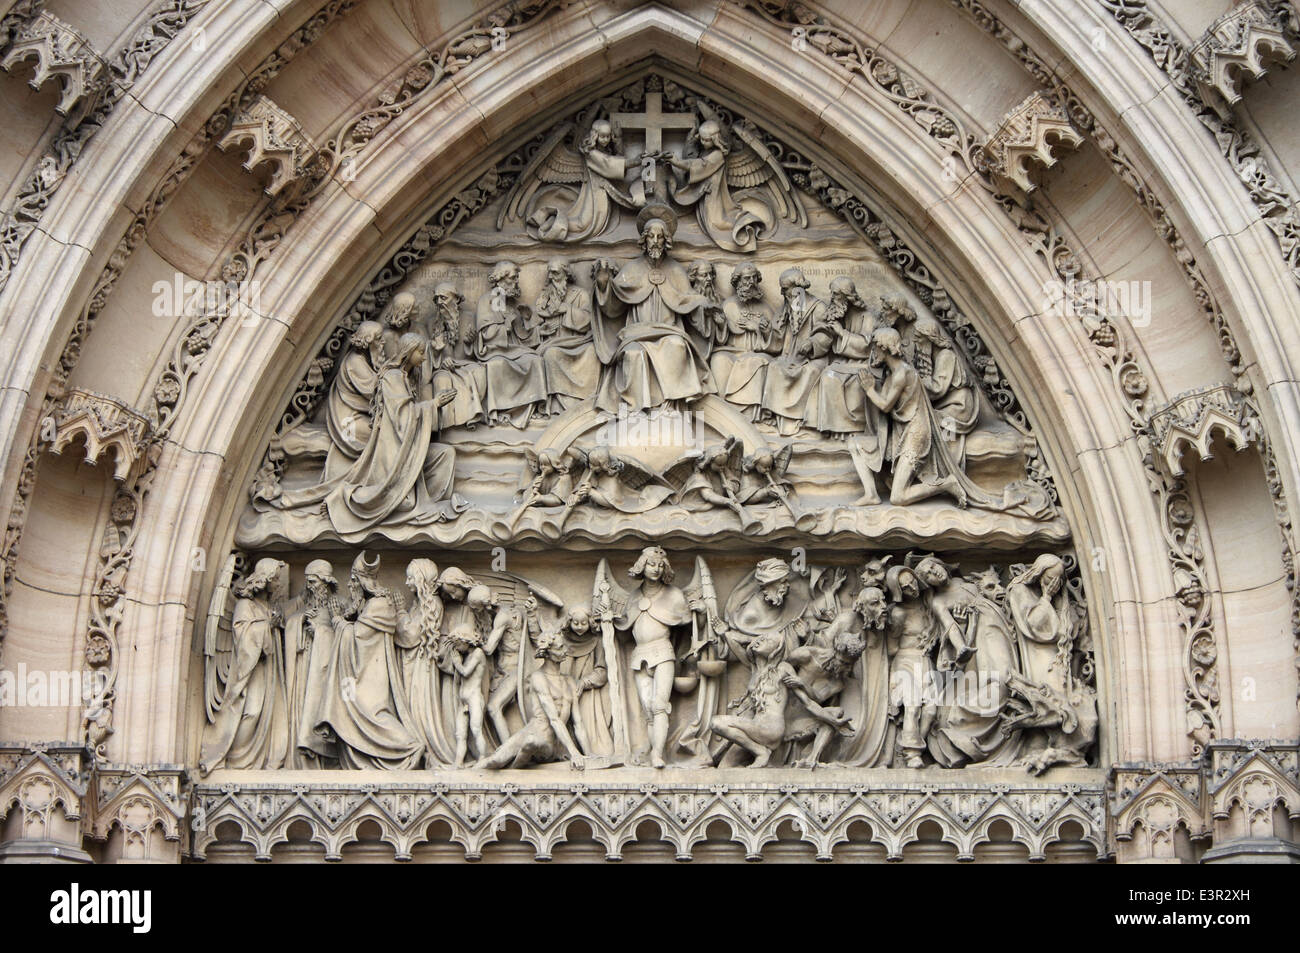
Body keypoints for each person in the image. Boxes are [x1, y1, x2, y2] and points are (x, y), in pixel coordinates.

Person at [591, 211, 716, 413]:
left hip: (669, 331)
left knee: (677, 347)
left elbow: (687, 300)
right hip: (637, 333)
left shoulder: (675, 270)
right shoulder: (632, 269)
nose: (655, 241)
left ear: (666, 240)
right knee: (632, 354)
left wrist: (702, 304)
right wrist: (603, 283)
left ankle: (669, 408)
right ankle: (636, 410)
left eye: (660, 237)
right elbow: (612, 305)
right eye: (651, 236)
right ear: (644, 239)